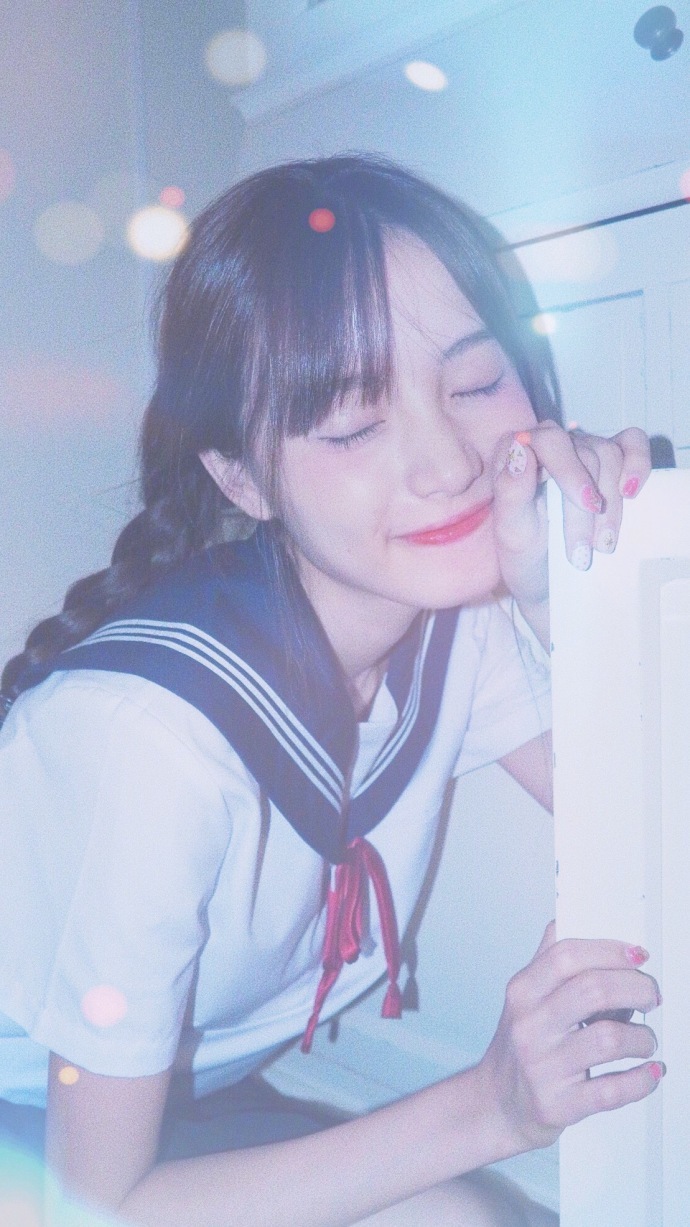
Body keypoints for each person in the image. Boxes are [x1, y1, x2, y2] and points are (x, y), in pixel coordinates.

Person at [0, 154, 661, 1227]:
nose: (448, 464)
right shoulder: (154, 744)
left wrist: (574, 592)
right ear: (241, 477)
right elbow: (100, 1206)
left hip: (170, 1110)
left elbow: (657, 827)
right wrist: (491, 1106)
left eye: (476, 383)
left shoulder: (451, 621)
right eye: (353, 425)